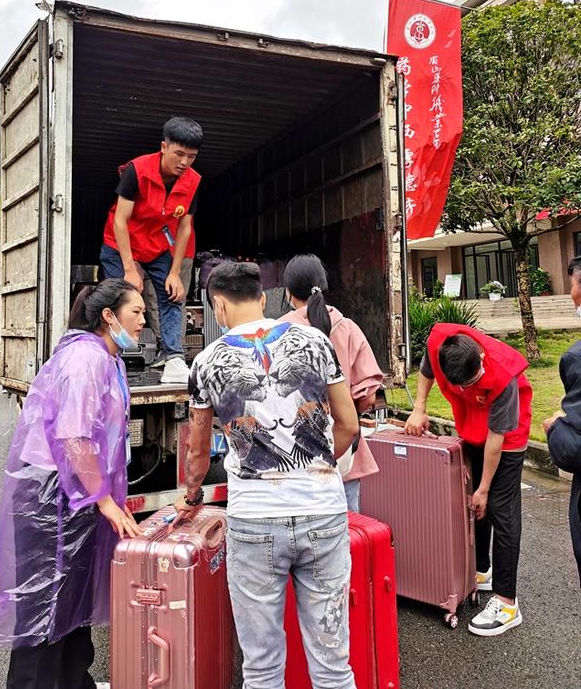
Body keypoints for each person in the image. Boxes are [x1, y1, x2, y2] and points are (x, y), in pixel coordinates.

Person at [172, 261, 359, 689]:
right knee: (333, 663)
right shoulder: (316, 339)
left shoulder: (204, 363)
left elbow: (198, 451)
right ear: (262, 299)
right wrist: (321, 466)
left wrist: (192, 495)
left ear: (217, 305)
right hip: (323, 514)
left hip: (254, 521)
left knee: (261, 667)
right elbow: (349, 425)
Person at [0, 279, 144, 689]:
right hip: (52, 497)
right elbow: (74, 436)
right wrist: (103, 499)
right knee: (44, 608)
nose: (143, 321)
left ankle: (75, 681)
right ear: (109, 316)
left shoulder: (107, 359)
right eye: (136, 312)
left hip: (74, 495)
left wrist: (104, 497)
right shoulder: (85, 360)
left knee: (72, 600)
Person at [405, 323, 532, 637]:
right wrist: (418, 408)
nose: (476, 384)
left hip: (505, 437)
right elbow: (426, 368)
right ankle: (482, 569)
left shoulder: (503, 375)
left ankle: (506, 602)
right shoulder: (441, 344)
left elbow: (496, 439)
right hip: (471, 428)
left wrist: (485, 488)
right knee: (471, 501)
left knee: (500, 509)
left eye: (477, 379)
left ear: (481, 357)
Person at [100, 116, 203, 385]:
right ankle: (111, 356)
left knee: (172, 295)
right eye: (179, 154)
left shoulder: (192, 182)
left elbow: (184, 229)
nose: (184, 162)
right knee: (120, 297)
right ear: (164, 147)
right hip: (120, 243)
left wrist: (174, 272)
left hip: (156, 245)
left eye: (191, 156)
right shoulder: (138, 170)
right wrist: (129, 269)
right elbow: (120, 220)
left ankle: (174, 358)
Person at [279, 253, 382, 511]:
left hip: (293, 458)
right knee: (347, 538)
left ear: (288, 291)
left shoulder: (277, 332)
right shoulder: (348, 328)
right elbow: (368, 397)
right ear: (322, 286)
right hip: (343, 453)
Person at [544, 256, 581, 586]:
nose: (570, 293)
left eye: (572, 284)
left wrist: (556, 426)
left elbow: (574, 450)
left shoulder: (576, 358)